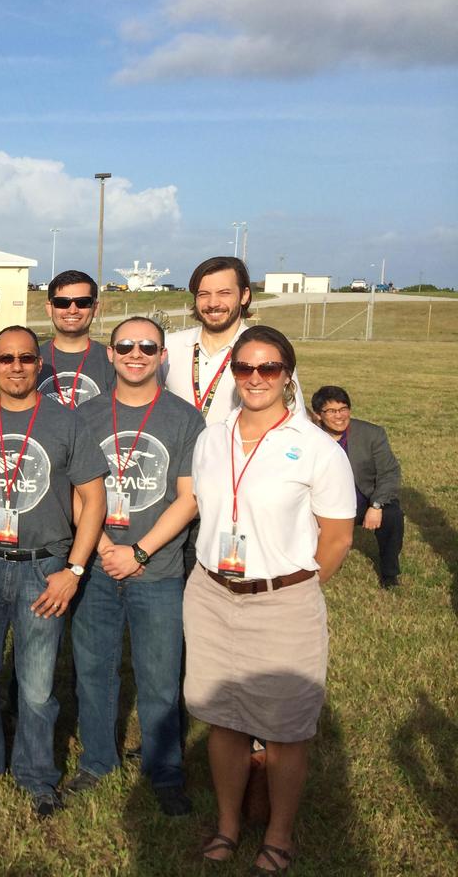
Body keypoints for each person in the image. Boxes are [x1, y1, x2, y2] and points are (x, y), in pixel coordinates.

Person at [185, 326, 354, 873]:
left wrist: (291, 588)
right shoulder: (212, 437)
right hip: (211, 594)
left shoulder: (316, 448)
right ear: (233, 374)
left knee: (284, 728)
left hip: (284, 601)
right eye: (244, 368)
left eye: (269, 369)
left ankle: (279, 834)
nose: (255, 378)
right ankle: (229, 825)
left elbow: (337, 537)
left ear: (288, 375)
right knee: (223, 718)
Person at [0, 325, 107, 816]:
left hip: (45, 568)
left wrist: (74, 570)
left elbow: (93, 499)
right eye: (6, 358)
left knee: (36, 687)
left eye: (26, 358)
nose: (16, 366)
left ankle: (36, 775)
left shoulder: (67, 423)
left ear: (40, 365)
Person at [67, 317, 203, 816]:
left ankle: (164, 770)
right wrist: (104, 547)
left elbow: (188, 499)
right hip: (98, 564)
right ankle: (97, 760)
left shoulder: (185, 420)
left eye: (148, 346)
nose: (136, 354)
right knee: (94, 669)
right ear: (110, 352)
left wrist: (139, 551)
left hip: (158, 568)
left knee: (160, 676)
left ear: (162, 354)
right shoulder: (85, 415)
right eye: (125, 345)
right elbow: (77, 494)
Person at [164, 256, 303, 576]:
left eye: (224, 293)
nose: (213, 304)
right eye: (203, 294)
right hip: (176, 496)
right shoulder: (170, 347)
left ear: (244, 295)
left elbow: (294, 424)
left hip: (234, 500)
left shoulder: (265, 352)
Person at [311, 385, 404, 589]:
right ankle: (309, 570)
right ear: (318, 415)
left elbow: (390, 473)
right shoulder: (310, 438)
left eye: (344, 409)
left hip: (365, 500)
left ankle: (389, 574)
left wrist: (377, 505)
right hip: (325, 504)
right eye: (332, 411)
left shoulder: (372, 434)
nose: (339, 416)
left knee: (393, 515)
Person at [36, 270, 115, 408]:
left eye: (83, 302)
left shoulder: (113, 361)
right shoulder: (29, 360)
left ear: (95, 308)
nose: (72, 310)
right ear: (49, 308)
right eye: (62, 303)